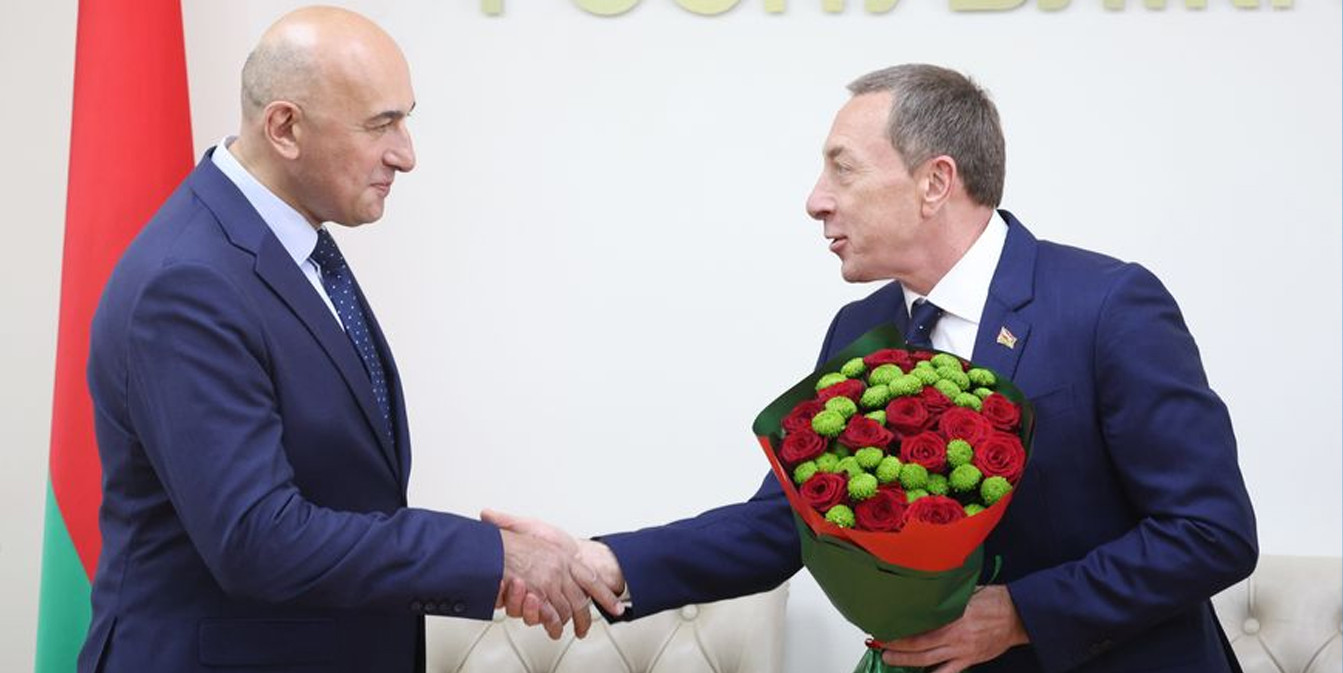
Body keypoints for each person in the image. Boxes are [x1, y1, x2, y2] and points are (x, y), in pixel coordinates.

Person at [492, 64, 1258, 672]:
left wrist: (1019, 613)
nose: (814, 201)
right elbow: (785, 522)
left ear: (934, 181)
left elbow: (1210, 531)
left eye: (842, 170)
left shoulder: (1106, 304)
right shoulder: (860, 329)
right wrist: (602, 560)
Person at [79, 7, 615, 672]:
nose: (406, 155)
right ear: (285, 128)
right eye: (380, 124)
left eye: (405, 119)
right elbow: (258, 539)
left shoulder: (292, 245)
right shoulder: (188, 281)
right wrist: (496, 556)